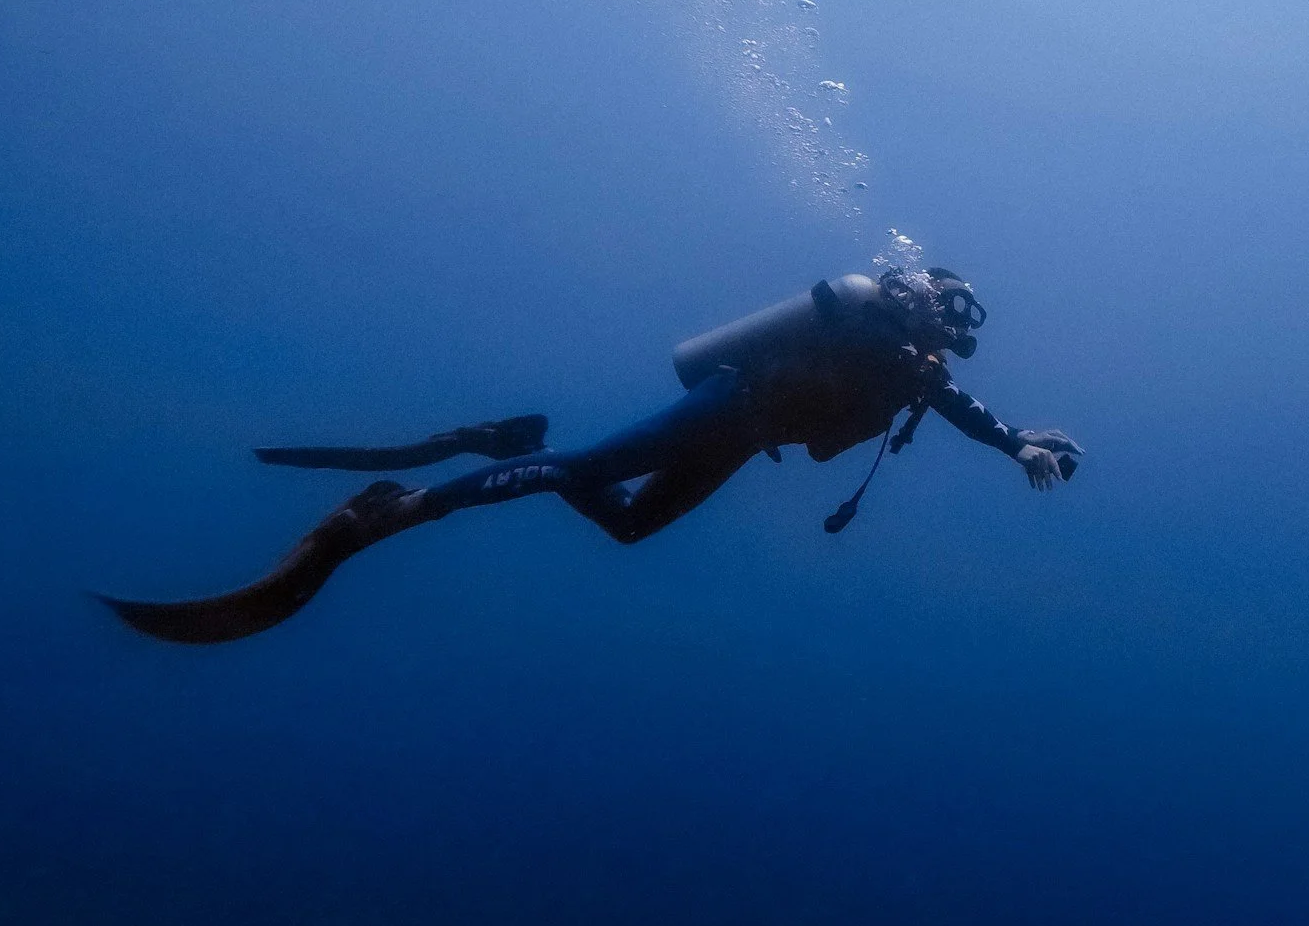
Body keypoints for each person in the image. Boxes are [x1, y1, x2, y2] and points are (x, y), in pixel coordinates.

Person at [98, 267, 1082, 644]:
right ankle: (389, 512)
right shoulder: (872, 317)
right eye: (938, 321)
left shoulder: (920, 368)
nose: (942, 343)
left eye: (951, 334)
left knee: (622, 525)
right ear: (918, 301)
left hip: (749, 441)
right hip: (732, 403)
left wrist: (1017, 444)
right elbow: (850, 319)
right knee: (585, 476)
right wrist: (883, 311)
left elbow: (960, 407)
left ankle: (508, 443)